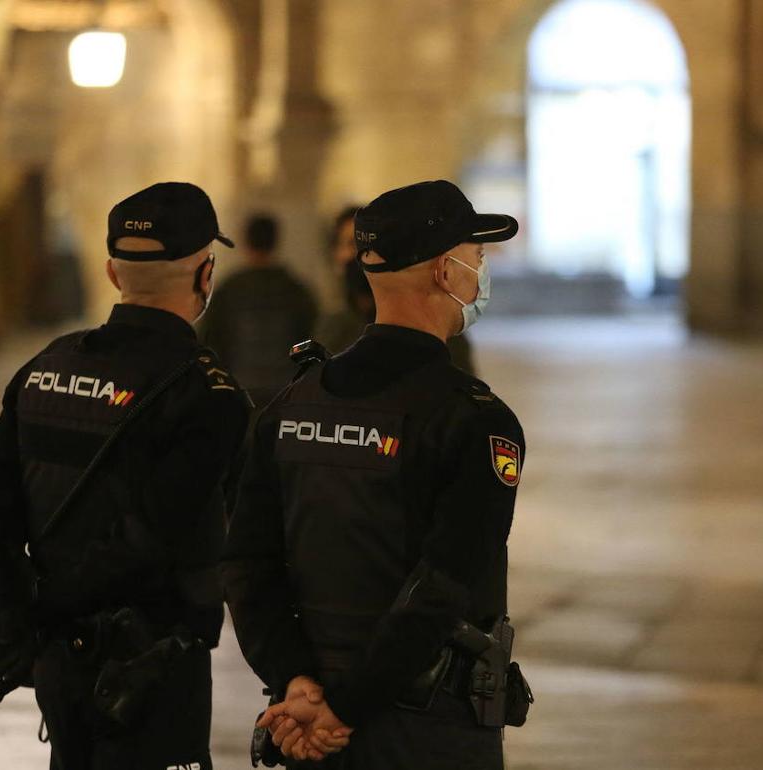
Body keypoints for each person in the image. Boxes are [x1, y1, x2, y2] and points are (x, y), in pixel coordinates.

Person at [222, 180, 529, 768]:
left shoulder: (291, 406)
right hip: (428, 728)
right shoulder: (473, 420)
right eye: (478, 257)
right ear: (446, 272)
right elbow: (444, 586)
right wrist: (348, 707)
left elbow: (246, 563)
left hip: (310, 722)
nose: (481, 271)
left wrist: (296, 682)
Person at [0, 182, 251, 770]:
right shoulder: (208, 394)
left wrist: (17, 630)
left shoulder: (45, 368)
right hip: (158, 668)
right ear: (204, 275)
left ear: (114, 273)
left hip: (57, 664)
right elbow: (155, 537)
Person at [315, 205, 479, 374]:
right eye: (351, 244)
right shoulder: (334, 325)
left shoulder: (434, 327)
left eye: (371, 246)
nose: (362, 255)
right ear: (336, 253)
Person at [199, 213, 318, 407]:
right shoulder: (296, 290)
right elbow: (312, 343)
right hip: (286, 393)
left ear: (246, 240)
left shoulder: (229, 289)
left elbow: (209, 343)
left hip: (239, 390)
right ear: (275, 241)